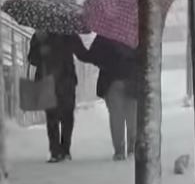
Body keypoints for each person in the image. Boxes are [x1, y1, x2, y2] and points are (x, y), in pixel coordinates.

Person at [27, 31, 88, 163]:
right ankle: (60, 151)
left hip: (62, 80)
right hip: (59, 80)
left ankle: (59, 151)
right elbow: (32, 59)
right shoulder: (65, 33)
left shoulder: (43, 34)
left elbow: (81, 53)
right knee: (60, 116)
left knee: (58, 116)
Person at [84, 35, 139, 161]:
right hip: (131, 80)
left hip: (111, 80)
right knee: (133, 117)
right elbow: (143, 57)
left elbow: (92, 56)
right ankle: (132, 149)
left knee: (116, 117)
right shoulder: (134, 34)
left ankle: (119, 151)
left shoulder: (105, 35)